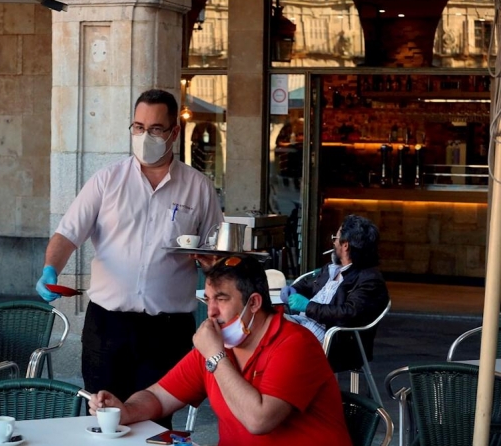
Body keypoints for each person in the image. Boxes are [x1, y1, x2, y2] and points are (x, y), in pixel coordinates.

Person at [36, 89, 224, 427]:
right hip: (108, 326)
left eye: (155, 129)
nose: (144, 136)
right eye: (138, 127)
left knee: (156, 423)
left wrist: (211, 265)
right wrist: (51, 269)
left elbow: (215, 253)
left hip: (167, 330)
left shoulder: (198, 187)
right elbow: (67, 234)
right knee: (102, 418)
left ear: (173, 133)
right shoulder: (107, 181)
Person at [89, 256, 352, 446]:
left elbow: (259, 421)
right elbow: (158, 397)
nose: (211, 311)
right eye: (208, 300)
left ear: (254, 303)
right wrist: (126, 410)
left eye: (222, 300)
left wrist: (216, 357)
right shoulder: (220, 342)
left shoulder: (294, 344)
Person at [280, 214, 389, 371]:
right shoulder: (333, 268)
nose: (333, 242)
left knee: (273, 340)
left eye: (335, 238)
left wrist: (307, 306)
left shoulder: (369, 279)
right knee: (264, 323)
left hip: (334, 339)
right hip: (305, 325)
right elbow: (308, 284)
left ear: (345, 245)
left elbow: (349, 313)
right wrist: (294, 290)